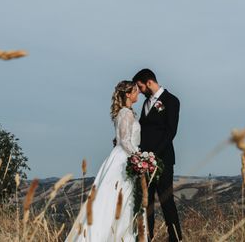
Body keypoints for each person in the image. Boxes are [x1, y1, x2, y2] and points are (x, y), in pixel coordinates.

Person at [67, 81, 142, 242]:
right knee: (116, 200)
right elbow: (124, 141)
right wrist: (140, 157)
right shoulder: (126, 113)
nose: (138, 94)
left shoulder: (126, 112)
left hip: (124, 157)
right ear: (127, 94)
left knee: (122, 200)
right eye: (135, 91)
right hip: (124, 160)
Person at [133, 68, 182, 242]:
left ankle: (176, 238)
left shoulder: (171, 100)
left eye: (140, 87)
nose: (139, 91)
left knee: (166, 200)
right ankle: (147, 237)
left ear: (149, 82)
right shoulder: (146, 104)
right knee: (147, 203)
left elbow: (171, 132)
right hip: (144, 162)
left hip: (163, 160)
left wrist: (154, 155)